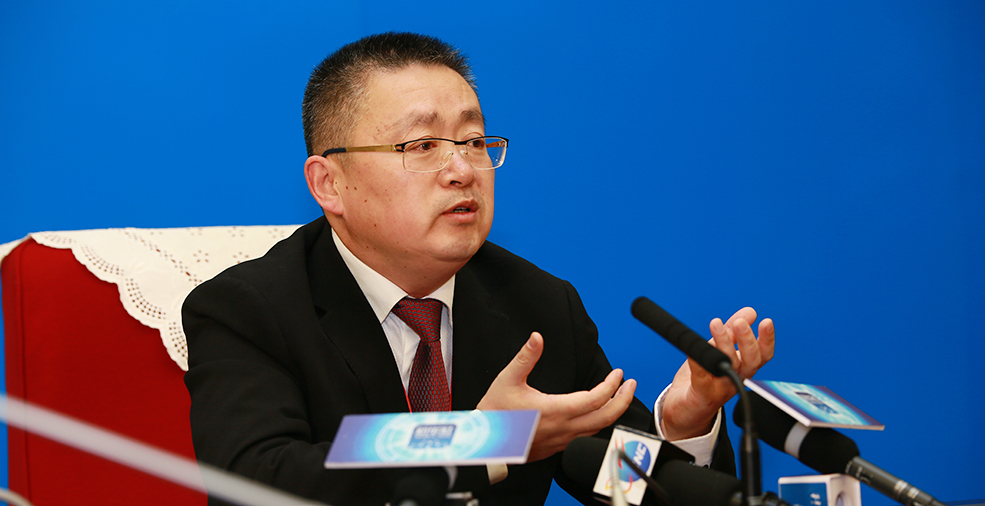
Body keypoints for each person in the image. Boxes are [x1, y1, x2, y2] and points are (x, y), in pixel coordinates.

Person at [182, 32, 775, 506]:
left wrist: (685, 420)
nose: (463, 169)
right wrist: (481, 441)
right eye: (422, 146)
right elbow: (258, 480)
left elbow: (620, 484)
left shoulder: (537, 306)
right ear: (328, 184)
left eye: (473, 141)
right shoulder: (249, 309)